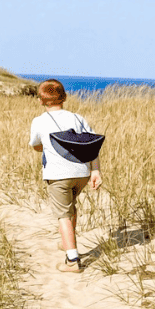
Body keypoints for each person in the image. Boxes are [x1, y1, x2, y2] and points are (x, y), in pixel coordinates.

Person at [28, 79, 102, 272]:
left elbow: (36, 145)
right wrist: (96, 170)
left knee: (63, 215)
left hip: (58, 175)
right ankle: (67, 242)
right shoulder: (77, 118)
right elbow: (92, 144)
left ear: (41, 101)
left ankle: (72, 260)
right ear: (65, 97)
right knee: (70, 207)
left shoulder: (39, 121)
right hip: (81, 173)